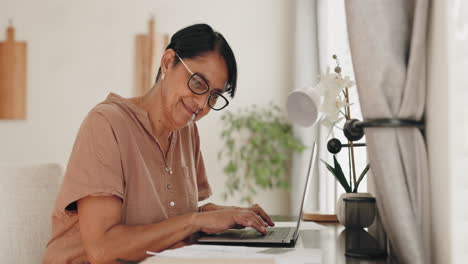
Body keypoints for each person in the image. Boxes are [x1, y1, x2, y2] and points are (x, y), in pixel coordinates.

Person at [43, 24, 275, 264]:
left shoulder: (187, 132)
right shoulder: (106, 123)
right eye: (197, 83)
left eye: (213, 96)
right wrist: (196, 221)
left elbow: (171, 217)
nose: (201, 104)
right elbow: (103, 250)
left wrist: (225, 214)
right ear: (167, 62)